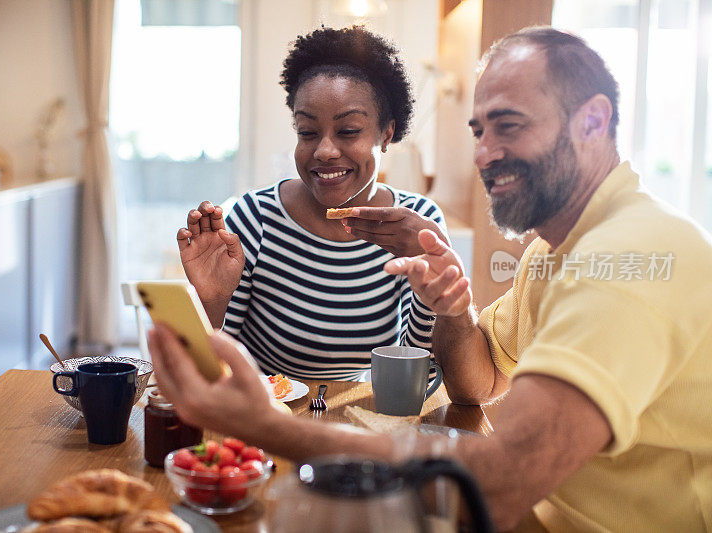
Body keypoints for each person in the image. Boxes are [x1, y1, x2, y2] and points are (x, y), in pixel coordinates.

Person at [150, 26, 712, 531]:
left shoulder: (632, 255)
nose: (485, 155)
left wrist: (267, 427)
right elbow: (481, 383)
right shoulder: (552, 252)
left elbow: (496, 481)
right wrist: (453, 303)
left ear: (593, 121)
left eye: (509, 126)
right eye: (479, 131)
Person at [176, 26, 448, 380]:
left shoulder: (416, 222)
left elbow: (417, 377)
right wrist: (210, 304)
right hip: (268, 415)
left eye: (348, 131)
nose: (324, 150)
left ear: (386, 133)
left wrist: (431, 293)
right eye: (307, 132)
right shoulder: (255, 218)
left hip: (359, 417)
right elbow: (210, 378)